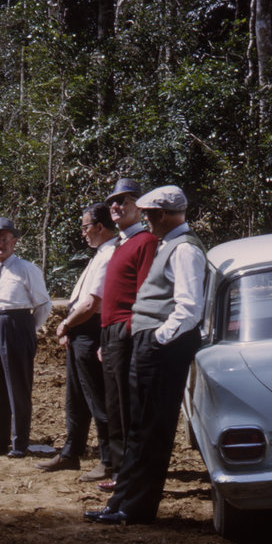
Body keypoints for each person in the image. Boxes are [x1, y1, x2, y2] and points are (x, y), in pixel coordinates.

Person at [85, 185, 207, 525]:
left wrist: (158, 337)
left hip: (163, 347)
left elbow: (189, 308)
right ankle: (122, 499)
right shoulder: (171, 245)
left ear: (165, 215)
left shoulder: (184, 250)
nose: (148, 221)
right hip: (151, 343)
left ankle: (136, 508)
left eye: (151, 214)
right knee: (138, 426)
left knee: (152, 428)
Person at [36, 203, 117, 480]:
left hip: (91, 330)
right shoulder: (99, 254)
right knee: (76, 397)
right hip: (80, 331)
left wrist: (67, 323)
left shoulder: (109, 255)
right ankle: (71, 453)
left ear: (100, 226)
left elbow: (92, 303)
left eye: (85, 227)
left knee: (97, 398)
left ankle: (108, 460)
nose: (83, 233)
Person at [0, 218, 51, 459]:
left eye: (4, 239)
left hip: (17, 326)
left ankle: (19, 443)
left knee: (17, 388)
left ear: (14, 242)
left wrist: (26, 330)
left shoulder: (27, 269)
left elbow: (44, 305)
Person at [97, 178, 159, 491]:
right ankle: (120, 472)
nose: (117, 207)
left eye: (124, 200)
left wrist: (131, 332)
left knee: (128, 405)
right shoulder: (120, 244)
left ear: (139, 206)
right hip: (110, 333)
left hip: (126, 330)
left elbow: (145, 290)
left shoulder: (146, 241)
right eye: (113, 202)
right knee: (114, 405)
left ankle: (131, 474)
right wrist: (104, 339)